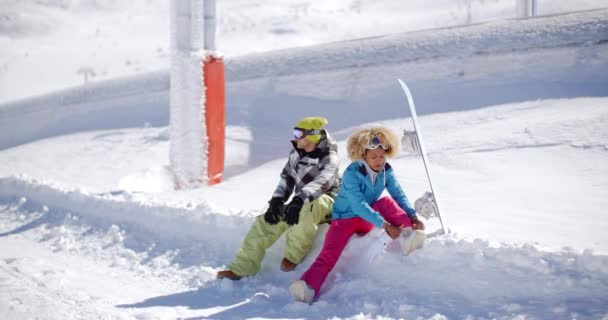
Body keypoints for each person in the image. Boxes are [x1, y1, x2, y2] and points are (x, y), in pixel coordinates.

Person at [289, 127, 426, 304]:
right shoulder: (352, 173)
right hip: (344, 220)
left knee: (386, 202)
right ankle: (307, 287)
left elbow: (398, 194)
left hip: (365, 219)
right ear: (363, 156)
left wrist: (412, 217)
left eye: (382, 156)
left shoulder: (386, 171)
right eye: (374, 157)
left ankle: (409, 235)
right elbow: (358, 205)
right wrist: (385, 225)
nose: (379, 161)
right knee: (329, 253)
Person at [216, 116, 341, 280]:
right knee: (266, 221)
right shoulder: (297, 153)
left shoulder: (330, 158)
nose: (295, 138)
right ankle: (242, 267)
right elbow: (287, 177)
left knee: (306, 209)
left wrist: (297, 201)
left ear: (312, 135)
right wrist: (277, 200)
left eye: (298, 134)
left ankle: (293, 255)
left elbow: (321, 183)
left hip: (327, 203)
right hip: (302, 200)